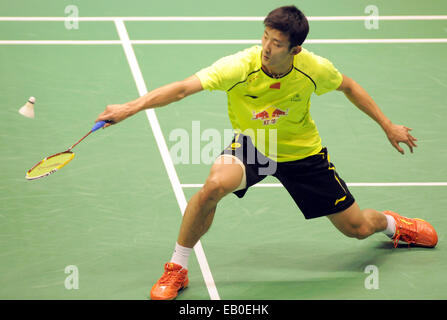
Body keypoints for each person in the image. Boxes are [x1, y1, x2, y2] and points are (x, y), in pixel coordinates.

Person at [95, 5, 438, 300]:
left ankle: (394, 225)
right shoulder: (239, 66)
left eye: (276, 44)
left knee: (358, 228)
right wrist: (131, 107)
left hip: (304, 155)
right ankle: (178, 268)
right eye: (265, 38)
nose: (266, 48)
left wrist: (387, 125)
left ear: (295, 49)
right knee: (213, 186)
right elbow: (184, 88)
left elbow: (348, 85)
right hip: (256, 147)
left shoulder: (313, 69)